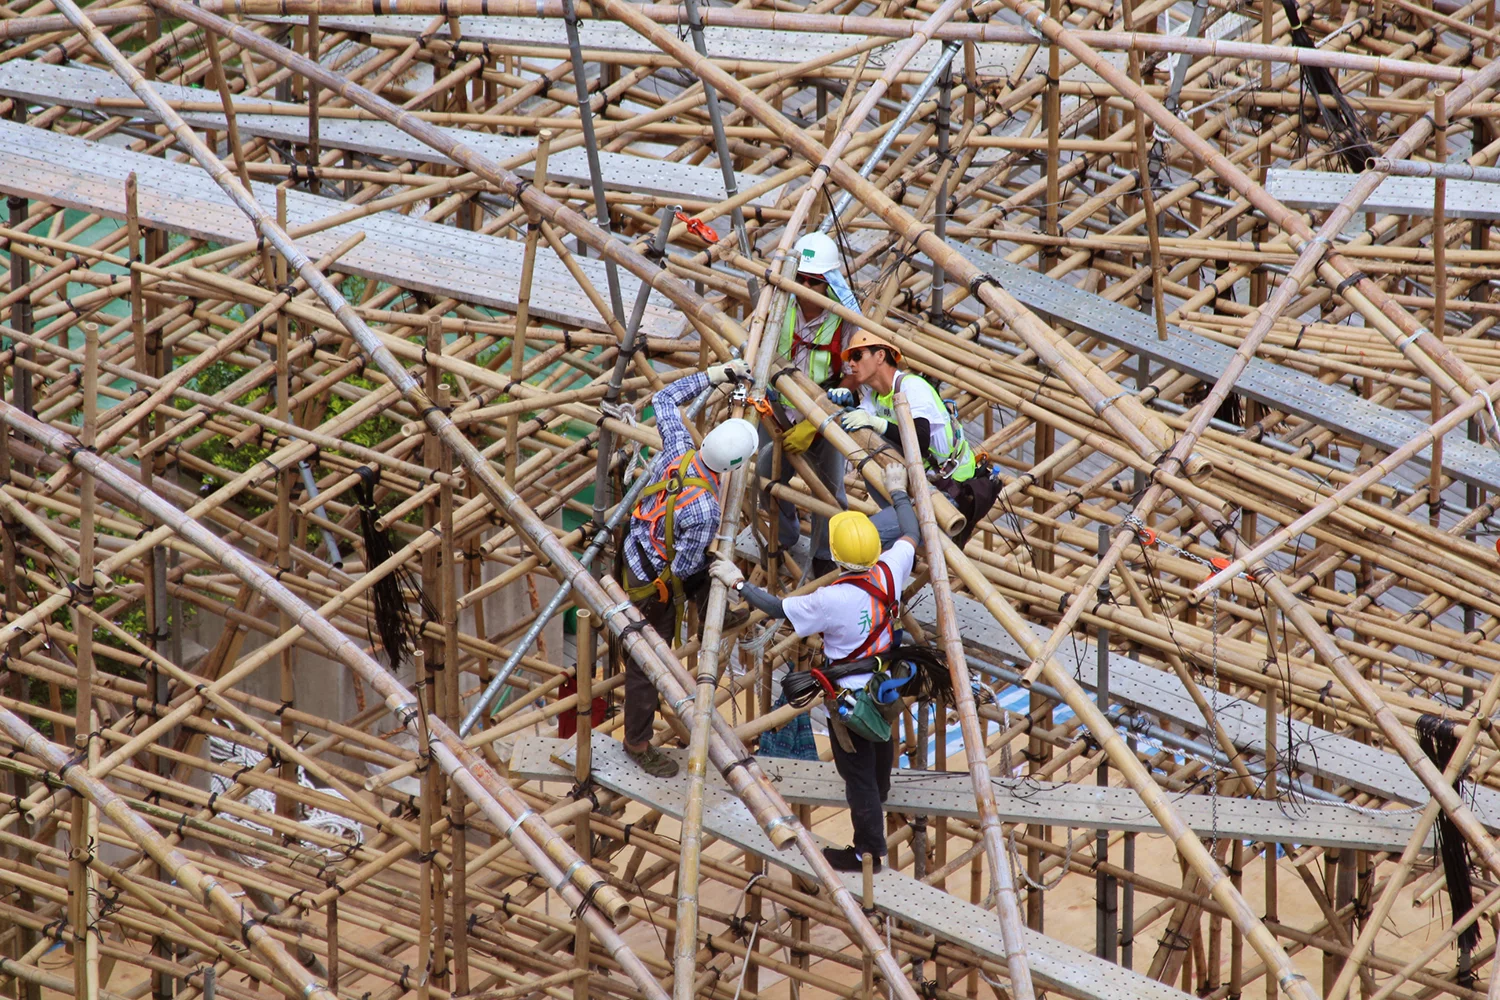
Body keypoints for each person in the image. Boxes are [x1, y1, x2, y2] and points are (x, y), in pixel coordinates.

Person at [710, 464, 921, 872]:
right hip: (883, 683)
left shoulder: (830, 599)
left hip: (849, 696)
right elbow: (911, 528)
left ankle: (869, 853)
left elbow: (776, 608)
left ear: (838, 558)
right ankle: (883, 790)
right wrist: (897, 491)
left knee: (854, 771)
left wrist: (738, 583)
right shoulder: (892, 570)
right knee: (881, 744)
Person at [621, 358, 756, 777]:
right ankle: (637, 742)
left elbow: (665, 399)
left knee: (704, 562)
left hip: (633, 548)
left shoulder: (679, 449)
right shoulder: (705, 510)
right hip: (653, 582)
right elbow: (684, 567)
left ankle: (713, 611)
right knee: (648, 663)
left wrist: (715, 376)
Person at [756, 232, 862, 579]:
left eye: (813, 282)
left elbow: (852, 374)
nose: (804, 287)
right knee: (765, 476)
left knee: (831, 495)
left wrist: (821, 418)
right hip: (776, 409)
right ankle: (784, 535)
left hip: (822, 414)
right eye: (799, 278)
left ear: (827, 284)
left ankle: (823, 554)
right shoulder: (781, 305)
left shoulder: (841, 318)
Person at [832, 330, 998, 549]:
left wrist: (876, 422)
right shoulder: (874, 397)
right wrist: (845, 405)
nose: (851, 364)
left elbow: (919, 442)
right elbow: (859, 428)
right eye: (849, 360)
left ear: (880, 356)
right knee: (870, 461)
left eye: (857, 356)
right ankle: (902, 542)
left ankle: (899, 547)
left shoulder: (912, 387)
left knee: (861, 540)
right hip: (916, 486)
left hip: (947, 494)